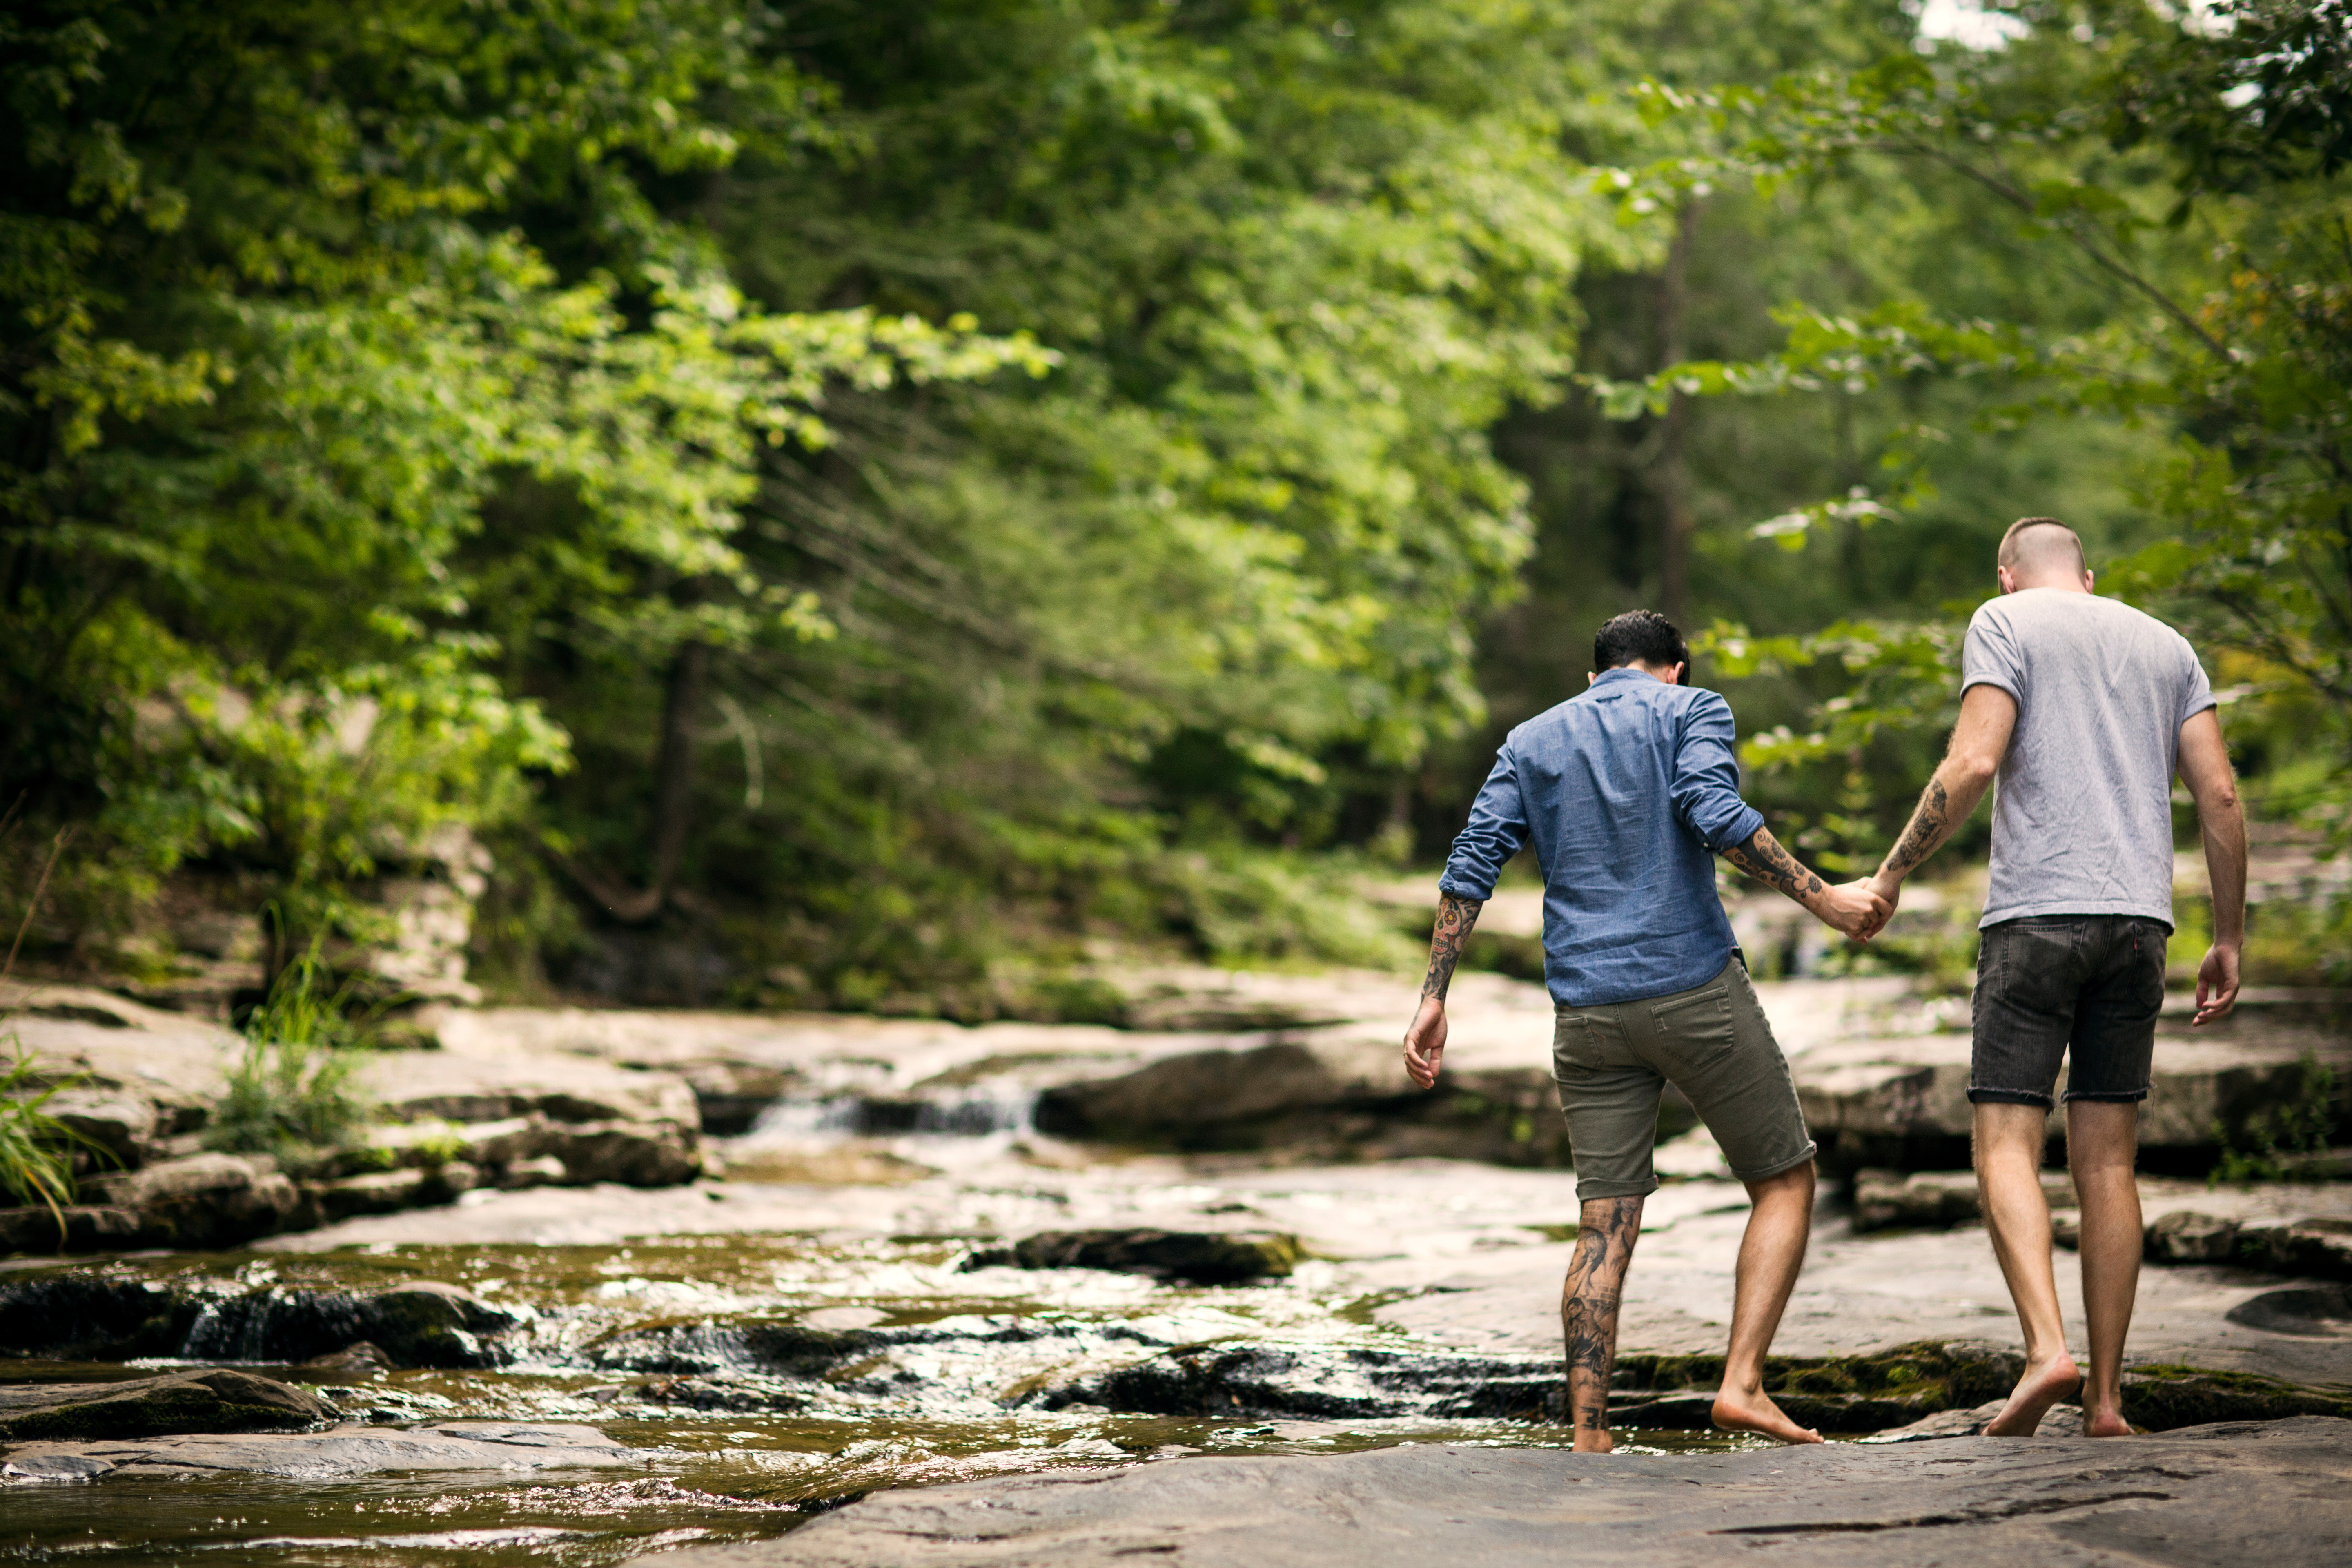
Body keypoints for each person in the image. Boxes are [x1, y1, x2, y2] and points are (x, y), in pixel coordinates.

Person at [1402, 609, 1889, 1452]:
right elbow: (1712, 807)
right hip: (1693, 989)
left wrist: (1433, 995)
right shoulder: (1692, 710)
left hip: (1586, 1014)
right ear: (1674, 668)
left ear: (1593, 675)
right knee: (1784, 1181)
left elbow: (1472, 859)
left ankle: (1590, 1437)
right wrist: (1829, 900)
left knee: (1604, 1225)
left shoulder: (1531, 738)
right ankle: (1740, 1387)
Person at [1864, 517, 2247, 1439]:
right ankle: (2108, 1404)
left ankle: (2047, 1351)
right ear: (2090, 575)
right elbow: (2221, 795)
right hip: (2140, 927)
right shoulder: (2167, 644)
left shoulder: (2005, 625)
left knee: (2004, 1140)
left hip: (2037, 916)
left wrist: (1890, 874)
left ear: (2007, 577)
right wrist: (2228, 934)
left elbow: (1974, 759)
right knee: (2109, 1161)